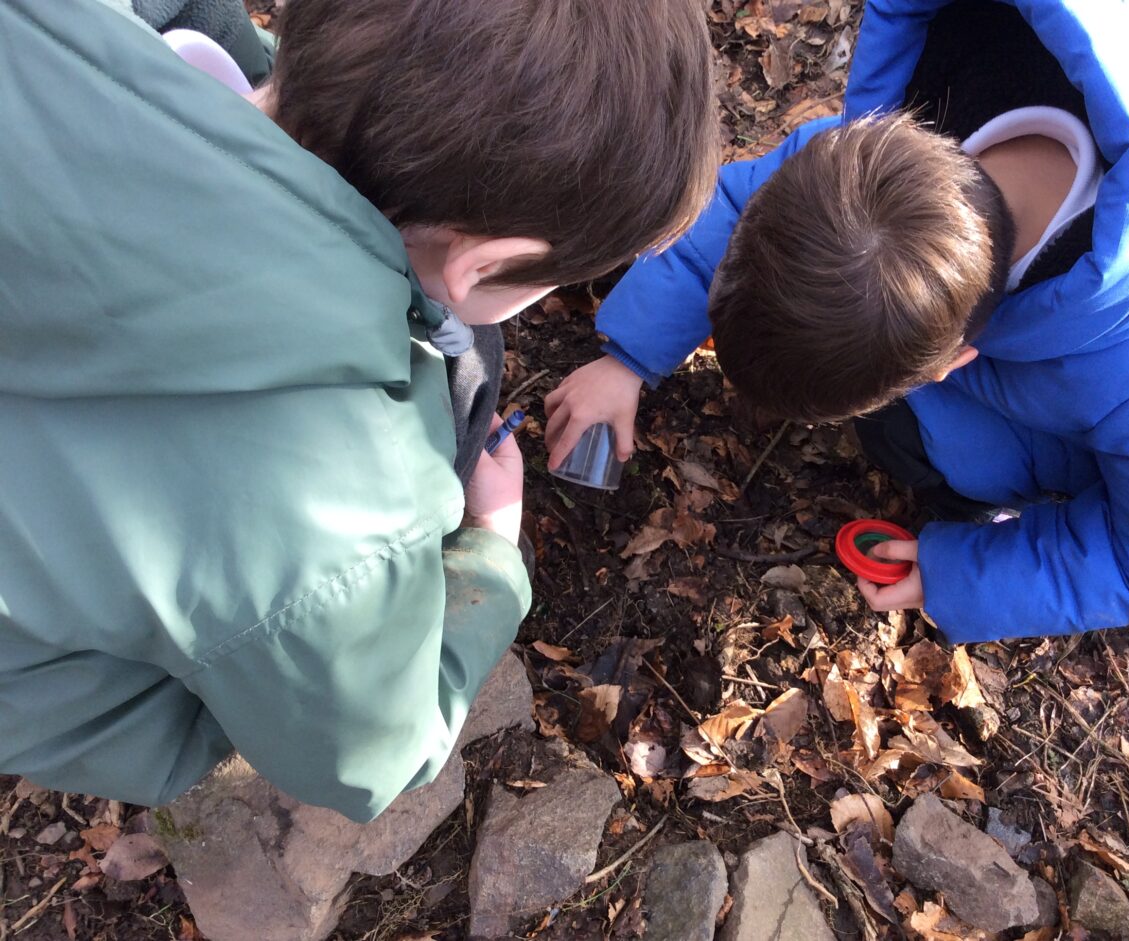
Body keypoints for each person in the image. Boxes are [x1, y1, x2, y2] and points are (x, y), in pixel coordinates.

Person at [0, 0, 718, 822]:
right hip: (61, 683)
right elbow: (374, 753)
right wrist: (490, 553)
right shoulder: (338, 518)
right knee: (472, 363)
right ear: (485, 266)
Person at [545, 0, 1129, 643]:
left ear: (952, 364)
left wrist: (963, 574)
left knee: (914, 444)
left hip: (1108, 399)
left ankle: (983, 492)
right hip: (1057, 340)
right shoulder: (884, 167)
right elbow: (739, 209)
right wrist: (628, 357)